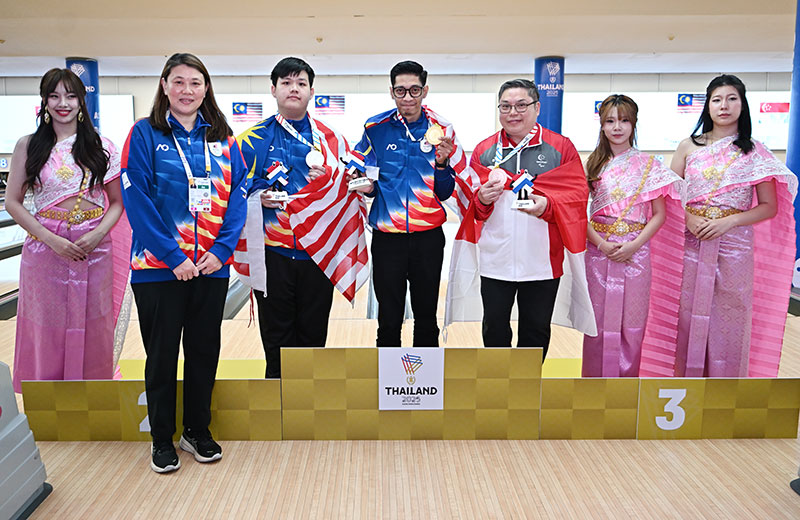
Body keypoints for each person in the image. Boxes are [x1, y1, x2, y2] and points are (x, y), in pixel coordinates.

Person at [121, 53, 248, 473]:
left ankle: (196, 430)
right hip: (158, 270)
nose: (187, 90)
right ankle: (162, 439)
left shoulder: (224, 140)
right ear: (164, 85)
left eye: (195, 82)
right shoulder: (144, 133)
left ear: (206, 88)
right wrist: (174, 257)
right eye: (178, 81)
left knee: (203, 352)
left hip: (210, 267)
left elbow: (237, 198)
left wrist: (221, 252)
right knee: (161, 356)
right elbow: (136, 198)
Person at [235, 57, 367, 378]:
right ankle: (278, 402)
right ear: (273, 89)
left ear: (311, 91)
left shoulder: (333, 140)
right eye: (286, 83)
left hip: (318, 254)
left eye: (301, 83)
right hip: (273, 254)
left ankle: (309, 403)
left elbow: (352, 186)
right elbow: (231, 191)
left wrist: (333, 179)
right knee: (276, 341)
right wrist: (257, 197)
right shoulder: (250, 140)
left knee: (313, 339)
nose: (293, 89)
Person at [444, 79, 595, 358]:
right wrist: (482, 200)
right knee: (494, 329)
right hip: (495, 259)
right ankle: (498, 382)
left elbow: (576, 197)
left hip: (542, 261)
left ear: (537, 108)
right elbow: (472, 206)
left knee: (535, 332)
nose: (512, 112)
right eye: (505, 106)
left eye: (521, 105)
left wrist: (547, 206)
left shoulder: (560, 147)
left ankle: (528, 384)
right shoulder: (485, 150)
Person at [8, 68, 128, 393]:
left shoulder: (102, 146)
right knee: (46, 324)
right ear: (44, 101)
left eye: (71, 96)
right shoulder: (29, 146)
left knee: (94, 323)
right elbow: (13, 202)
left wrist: (97, 234)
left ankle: (92, 395)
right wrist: (51, 240)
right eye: (55, 96)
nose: (63, 103)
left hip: (94, 246)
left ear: (81, 101)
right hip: (45, 247)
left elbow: (117, 203)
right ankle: (48, 400)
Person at [670, 74, 797, 378]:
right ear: (708, 106)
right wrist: (689, 218)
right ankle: (685, 386)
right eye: (716, 99)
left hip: (735, 246)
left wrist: (729, 221)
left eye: (731, 99)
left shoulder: (755, 151)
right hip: (691, 240)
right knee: (686, 313)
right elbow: (671, 196)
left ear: (742, 104)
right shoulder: (688, 146)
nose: (724, 106)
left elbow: (769, 206)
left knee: (730, 317)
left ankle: (725, 390)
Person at [354, 60, 466, 348]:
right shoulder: (375, 128)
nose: (407, 97)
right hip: (387, 238)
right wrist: (365, 187)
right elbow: (367, 181)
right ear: (391, 92)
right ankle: (387, 377)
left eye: (414, 90)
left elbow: (445, 192)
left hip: (428, 238)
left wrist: (442, 164)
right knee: (388, 318)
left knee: (426, 316)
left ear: (424, 91)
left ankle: (425, 376)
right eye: (400, 90)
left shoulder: (442, 129)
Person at [581, 95, 683, 377]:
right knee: (597, 322)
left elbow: (659, 214)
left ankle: (625, 389)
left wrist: (634, 245)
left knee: (632, 323)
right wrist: (601, 243)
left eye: (624, 120)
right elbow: (579, 214)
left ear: (633, 124)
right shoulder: (592, 165)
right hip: (598, 251)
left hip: (636, 252)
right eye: (610, 121)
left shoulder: (649, 165)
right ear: (602, 125)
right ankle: (593, 386)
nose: (617, 127)